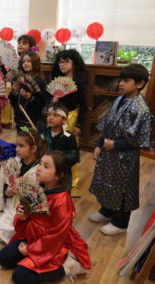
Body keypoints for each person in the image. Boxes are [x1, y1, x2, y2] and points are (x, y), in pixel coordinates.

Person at [0, 151, 91, 284]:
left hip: (52, 244)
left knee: (19, 277)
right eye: (40, 163)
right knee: (3, 258)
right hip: (32, 236)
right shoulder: (38, 188)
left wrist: (30, 250)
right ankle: (28, 261)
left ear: (58, 176)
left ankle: (68, 267)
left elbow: (57, 237)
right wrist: (22, 217)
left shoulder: (62, 202)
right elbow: (28, 215)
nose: (39, 168)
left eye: (46, 166)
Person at [89, 64, 153, 235]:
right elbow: (108, 124)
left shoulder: (141, 109)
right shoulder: (119, 99)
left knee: (123, 188)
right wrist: (99, 144)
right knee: (106, 182)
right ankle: (107, 210)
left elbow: (141, 139)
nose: (121, 84)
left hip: (125, 157)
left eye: (126, 80)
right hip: (109, 154)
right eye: (120, 80)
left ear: (139, 84)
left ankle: (121, 222)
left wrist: (115, 145)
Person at [0, 128, 44, 243]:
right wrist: (8, 192)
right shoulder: (14, 162)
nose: (17, 149)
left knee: (10, 232)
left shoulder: (39, 169)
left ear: (33, 149)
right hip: (11, 205)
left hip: (27, 211)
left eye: (21, 146)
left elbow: (40, 198)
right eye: (16, 145)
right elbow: (5, 186)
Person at [40, 103, 79, 190]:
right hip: (45, 172)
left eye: (55, 115)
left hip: (61, 174)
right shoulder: (43, 133)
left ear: (64, 120)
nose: (50, 117)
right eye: (49, 115)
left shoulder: (69, 137)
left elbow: (74, 157)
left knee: (61, 197)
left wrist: (57, 163)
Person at [51, 49, 88, 137]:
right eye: (60, 62)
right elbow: (49, 101)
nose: (62, 65)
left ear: (74, 64)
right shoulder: (57, 81)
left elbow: (84, 106)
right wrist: (53, 100)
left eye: (66, 62)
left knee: (69, 144)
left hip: (70, 119)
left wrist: (78, 125)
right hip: (56, 117)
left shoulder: (78, 83)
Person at [9, 51, 46, 130]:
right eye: (23, 62)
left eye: (28, 61)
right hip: (20, 120)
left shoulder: (39, 81)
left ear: (35, 63)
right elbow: (13, 103)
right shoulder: (20, 79)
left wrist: (29, 97)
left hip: (32, 121)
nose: (25, 63)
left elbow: (41, 104)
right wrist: (14, 91)